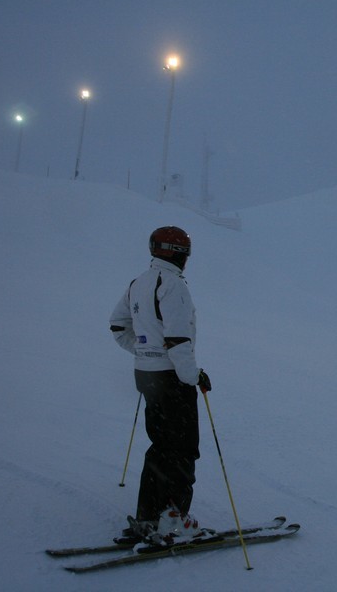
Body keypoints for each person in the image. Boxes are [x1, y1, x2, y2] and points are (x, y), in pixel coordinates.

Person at [109, 225, 212, 542]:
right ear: (180, 254)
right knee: (181, 450)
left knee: (161, 447)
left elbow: (117, 326)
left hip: (147, 376)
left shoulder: (138, 283)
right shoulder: (173, 285)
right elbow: (179, 340)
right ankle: (173, 521)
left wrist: (144, 352)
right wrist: (193, 376)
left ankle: (149, 516)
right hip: (171, 380)